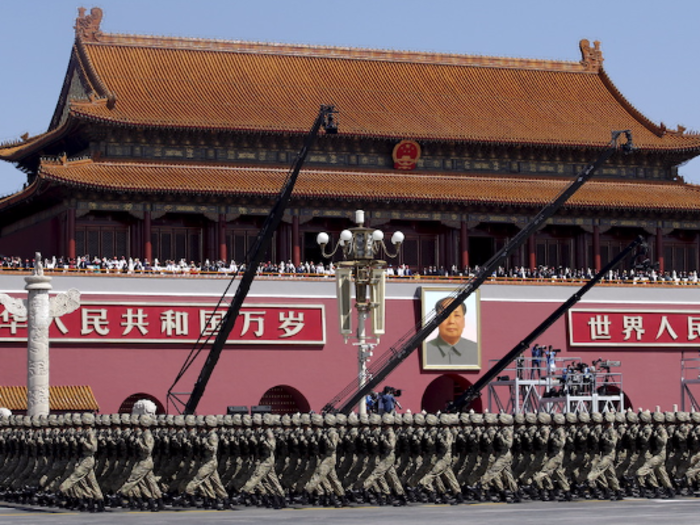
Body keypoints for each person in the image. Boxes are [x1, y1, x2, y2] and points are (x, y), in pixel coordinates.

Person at [425, 297, 478, 367]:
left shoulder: (475, 350)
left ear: (464, 321)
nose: (451, 321)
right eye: (446, 316)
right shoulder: (426, 350)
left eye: (456, 315)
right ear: (437, 321)